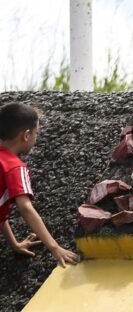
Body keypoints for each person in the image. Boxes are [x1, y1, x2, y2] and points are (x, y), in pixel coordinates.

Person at [0, 102, 80, 267]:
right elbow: (26, 208)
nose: (36, 138)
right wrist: (55, 248)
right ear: (26, 135)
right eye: (36, 133)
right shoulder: (15, 168)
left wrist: (14, 244)